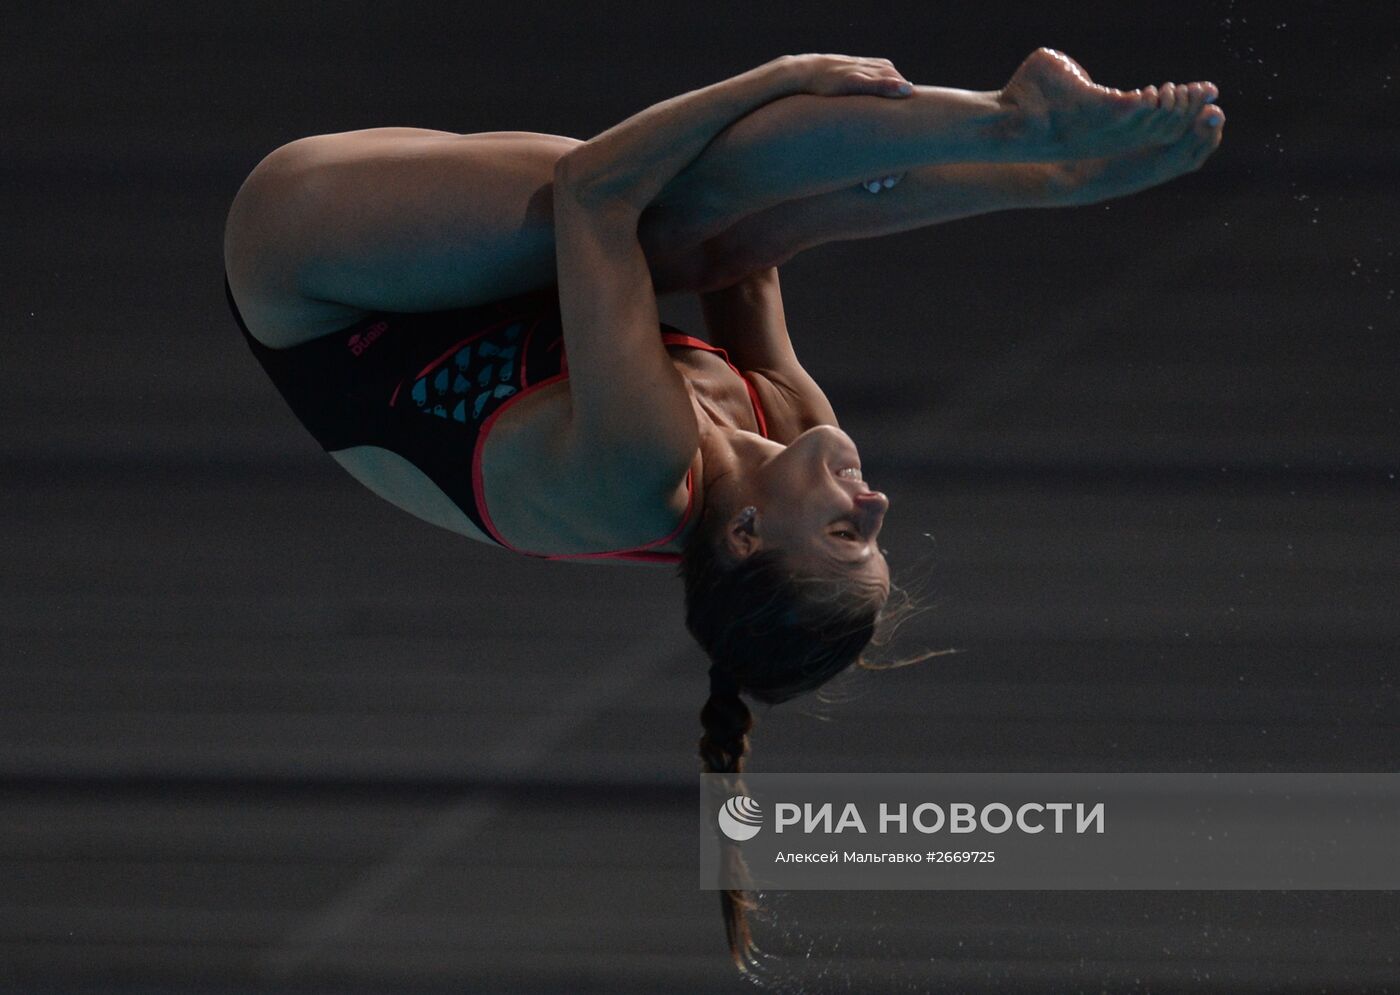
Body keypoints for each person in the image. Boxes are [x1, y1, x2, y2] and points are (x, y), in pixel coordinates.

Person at [222, 49, 1224, 968]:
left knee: (660, 221)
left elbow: (595, 190)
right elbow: (775, 229)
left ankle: (1015, 122)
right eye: (874, 529)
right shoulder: (786, 422)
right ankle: (1033, 151)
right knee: (711, 234)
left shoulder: (634, 475)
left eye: (845, 530)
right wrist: (1053, 191)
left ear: (743, 534)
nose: (872, 499)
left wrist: (771, 75)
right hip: (458, 293)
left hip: (318, 286)